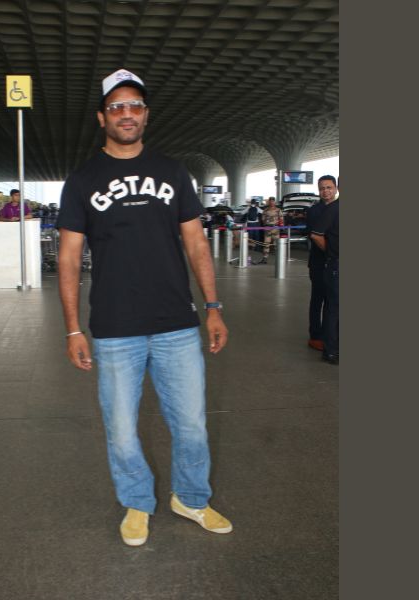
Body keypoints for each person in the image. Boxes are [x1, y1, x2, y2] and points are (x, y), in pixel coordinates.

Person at [56, 68, 233, 547]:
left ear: (146, 115)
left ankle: (191, 498)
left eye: (134, 105)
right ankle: (137, 502)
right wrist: (72, 328)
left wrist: (213, 306)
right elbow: (69, 257)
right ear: (102, 118)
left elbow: (196, 244)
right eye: (116, 107)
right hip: (115, 328)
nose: (126, 113)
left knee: (191, 424)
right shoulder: (83, 180)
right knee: (121, 430)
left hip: (177, 324)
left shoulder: (173, 172)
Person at [310, 176, 339, 365]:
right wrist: (331, 252)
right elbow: (315, 235)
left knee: (332, 304)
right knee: (319, 301)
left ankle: (330, 339)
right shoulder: (316, 210)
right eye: (322, 188)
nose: (326, 191)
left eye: (329, 187)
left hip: (331, 264)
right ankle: (316, 336)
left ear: (335, 188)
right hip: (320, 263)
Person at [260, 196, 282, 264]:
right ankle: (265, 258)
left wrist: (280, 225)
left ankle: (279, 258)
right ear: (269, 202)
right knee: (266, 244)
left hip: (276, 229)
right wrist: (266, 224)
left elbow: (281, 218)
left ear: (274, 202)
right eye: (271, 201)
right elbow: (263, 219)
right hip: (268, 229)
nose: (272, 202)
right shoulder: (265, 210)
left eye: (273, 201)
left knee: (277, 244)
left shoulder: (278, 210)